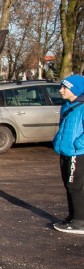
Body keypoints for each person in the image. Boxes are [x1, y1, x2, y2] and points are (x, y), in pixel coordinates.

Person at [52, 74, 84, 234]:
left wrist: (77, 145)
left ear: (75, 90)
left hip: (77, 154)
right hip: (65, 151)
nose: (61, 90)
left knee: (75, 186)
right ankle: (73, 217)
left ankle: (80, 222)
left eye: (65, 87)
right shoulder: (66, 105)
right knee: (69, 185)